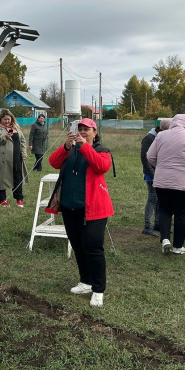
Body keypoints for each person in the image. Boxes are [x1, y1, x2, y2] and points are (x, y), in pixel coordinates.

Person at [46, 118, 113, 307]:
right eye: (79, 129)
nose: (82, 132)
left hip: (94, 210)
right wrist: (66, 147)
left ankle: (98, 289)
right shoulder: (71, 150)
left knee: (93, 248)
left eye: (87, 129)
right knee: (78, 246)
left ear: (94, 132)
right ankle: (85, 282)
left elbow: (102, 167)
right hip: (70, 207)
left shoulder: (101, 151)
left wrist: (84, 147)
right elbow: (53, 162)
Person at [146, 114, 185, 255]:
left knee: (164, 210)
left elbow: (150, 156)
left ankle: (165, 240)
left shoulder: (161, 135)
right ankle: (178, 246)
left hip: (162, 180)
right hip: (183, 181)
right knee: (181, 213)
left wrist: (161, 166)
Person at [0, 109, 28, 207]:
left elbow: (22, 141)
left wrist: (24, 154)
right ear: (0, 119)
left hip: (16, 158)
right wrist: (4, 137)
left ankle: (19, 199)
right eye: (5, 120)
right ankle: (1, 200)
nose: (7, 121)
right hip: (1, 158)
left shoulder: (16, 128)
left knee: (18, 178)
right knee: (1, 178)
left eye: (9, 119)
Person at [140, 124, 161, 236]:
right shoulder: (149, 139)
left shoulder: (157, 137)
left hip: (158, 173)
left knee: (158, 199)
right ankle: (147, 226)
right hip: (151, 174)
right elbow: (145, 158)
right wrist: (152, 175)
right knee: (152, 199)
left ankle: (157, 224)